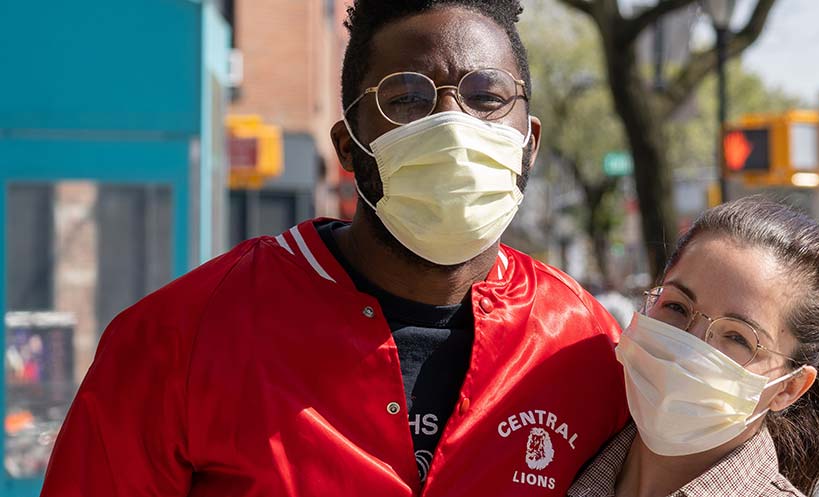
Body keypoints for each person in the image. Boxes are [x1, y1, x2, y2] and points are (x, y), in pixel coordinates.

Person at [41, 1, 628, 496]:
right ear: (348, 148)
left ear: (530, 143)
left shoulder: (587, 346)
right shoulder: (181, 337)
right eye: (406, 99)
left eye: (487, 96)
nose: (454, 124)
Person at [568, 196, 819, 497]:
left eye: (738, 338)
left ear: (790, 388)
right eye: (676, 307)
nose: (689, 347)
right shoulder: (555, 456)